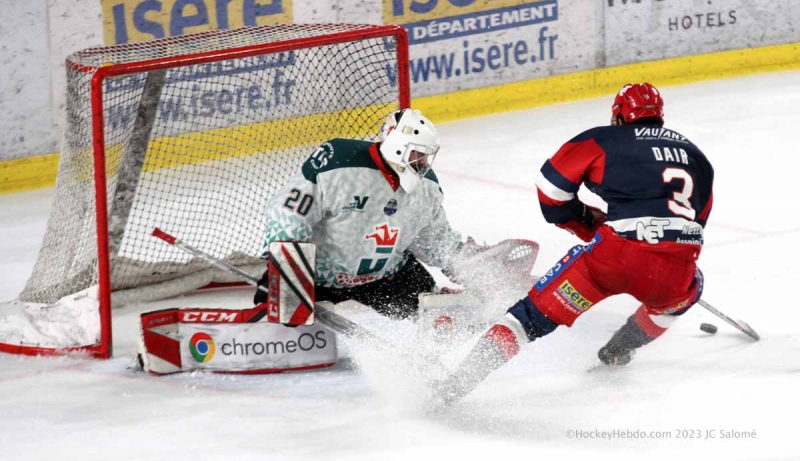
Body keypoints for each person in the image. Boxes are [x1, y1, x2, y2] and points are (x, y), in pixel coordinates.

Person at [435, 83, 714, 404]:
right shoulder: (697, 156)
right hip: (674, 271)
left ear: (620, 117)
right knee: (682, 295)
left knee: (525, 319)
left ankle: (454, 386)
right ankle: (618, 350)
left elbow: (551, 189)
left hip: (610, 259)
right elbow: (696, 223)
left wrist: (580, 221)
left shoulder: (604, 139)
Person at [253, 108, 466, 319]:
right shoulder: (338, 162)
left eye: (426, 157)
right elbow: (291, 213)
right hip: (318, 279)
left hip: (387, 276)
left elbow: (433, 239)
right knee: (282, 321)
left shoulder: (426, 186)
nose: (422, 163)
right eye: (417, 154)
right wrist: (284, 269)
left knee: (438, 317)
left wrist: (465, 264)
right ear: (398, 147)